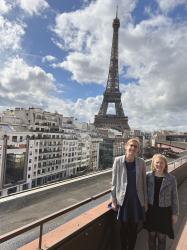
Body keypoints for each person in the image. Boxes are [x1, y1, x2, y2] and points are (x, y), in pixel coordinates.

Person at [111, 138, 147, 250]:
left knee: (134, 227)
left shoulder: (141, 162)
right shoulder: (118, 160)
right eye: (131, 145)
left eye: (135, 147)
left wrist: (145, 202)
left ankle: (131, 248)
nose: (133, 148)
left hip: (136, 200)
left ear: (138, 150)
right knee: (123, 227)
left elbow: (144, 183)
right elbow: (114, 182)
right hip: (123, 200)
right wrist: (113, 200)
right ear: (126, 146)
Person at [146, 154, 179, 250]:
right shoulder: (148, 177)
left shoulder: (171, 178)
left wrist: (175, 214)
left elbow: (174, 197)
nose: (159, 164)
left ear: (165, 165)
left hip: (164, 212)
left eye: (161, 163)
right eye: (157, 162)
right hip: (151, 211)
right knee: (151, 237)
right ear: (153, 164)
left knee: (162, 238)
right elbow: (142, 193)